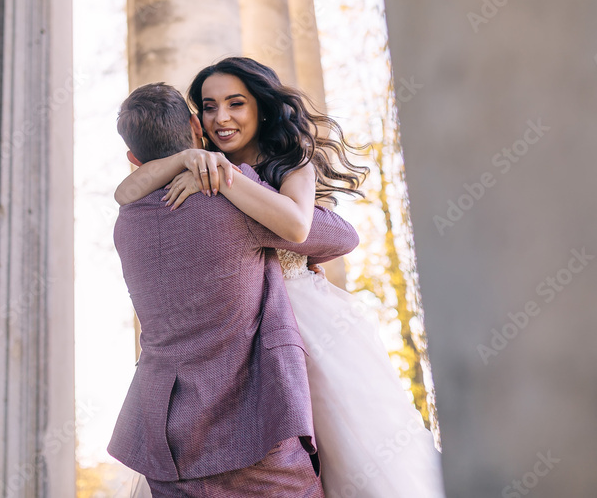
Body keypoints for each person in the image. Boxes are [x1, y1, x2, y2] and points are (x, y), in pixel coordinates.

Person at [117, 57, 446, 497]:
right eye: (209, 107)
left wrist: (228, 181)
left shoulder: (278, 169)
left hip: (306, 325)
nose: (222, 118)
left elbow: (331, 233)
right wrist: (192, 162)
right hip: (249, 334)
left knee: (354, 454)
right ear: (196, 124)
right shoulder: (202, 168)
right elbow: (126, 191)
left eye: (236, 103)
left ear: (262, 107)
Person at [108, 82, 360, 497]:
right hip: (252, 429)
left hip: (166, 442)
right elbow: (339, 238)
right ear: (195, 127)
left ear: (134, 159)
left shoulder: (127, 222)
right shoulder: (231, 193)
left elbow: (127, 192)